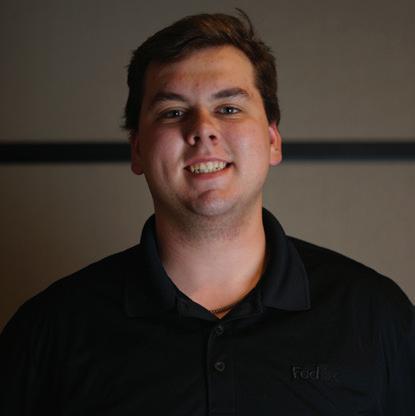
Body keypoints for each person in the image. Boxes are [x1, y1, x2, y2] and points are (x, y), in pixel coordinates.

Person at [1, 10, 414, 415]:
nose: (202, 129)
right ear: (138, 149)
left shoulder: (375, 316)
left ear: (273, 140)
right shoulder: (48, 331)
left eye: (229, 108)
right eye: (173, 112)